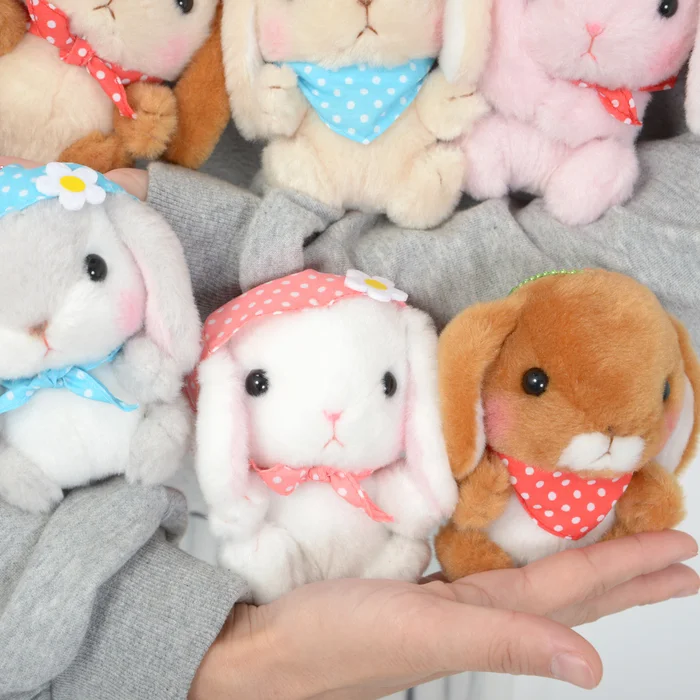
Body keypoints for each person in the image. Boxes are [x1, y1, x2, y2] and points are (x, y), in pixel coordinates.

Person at [2, 84, 700, 699]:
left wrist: (261, 272)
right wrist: (180, 647)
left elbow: (681, 237)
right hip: (95, 556)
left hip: (447, 535)